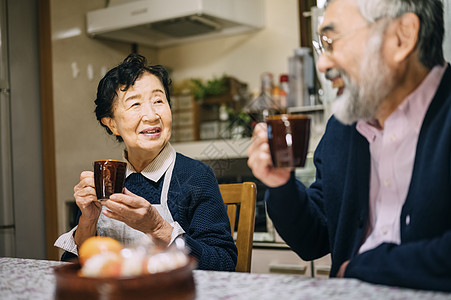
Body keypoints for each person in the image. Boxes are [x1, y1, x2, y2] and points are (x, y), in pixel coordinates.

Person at [247, 0, 450, 292]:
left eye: (333, 40)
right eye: (322, 46)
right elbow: (314, 239)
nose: (323, 64)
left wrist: (361, 269)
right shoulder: (342, 129)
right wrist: (281, 186)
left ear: (402, 37)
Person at [55, 53, 237, 271]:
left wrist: (157, 227)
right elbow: (74, 268)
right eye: (135, 104)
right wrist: (87, 220)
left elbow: (224, 264)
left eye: (159, 101)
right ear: (111, 124)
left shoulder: (196, 176)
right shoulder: (106, 179)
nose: (151, 115)